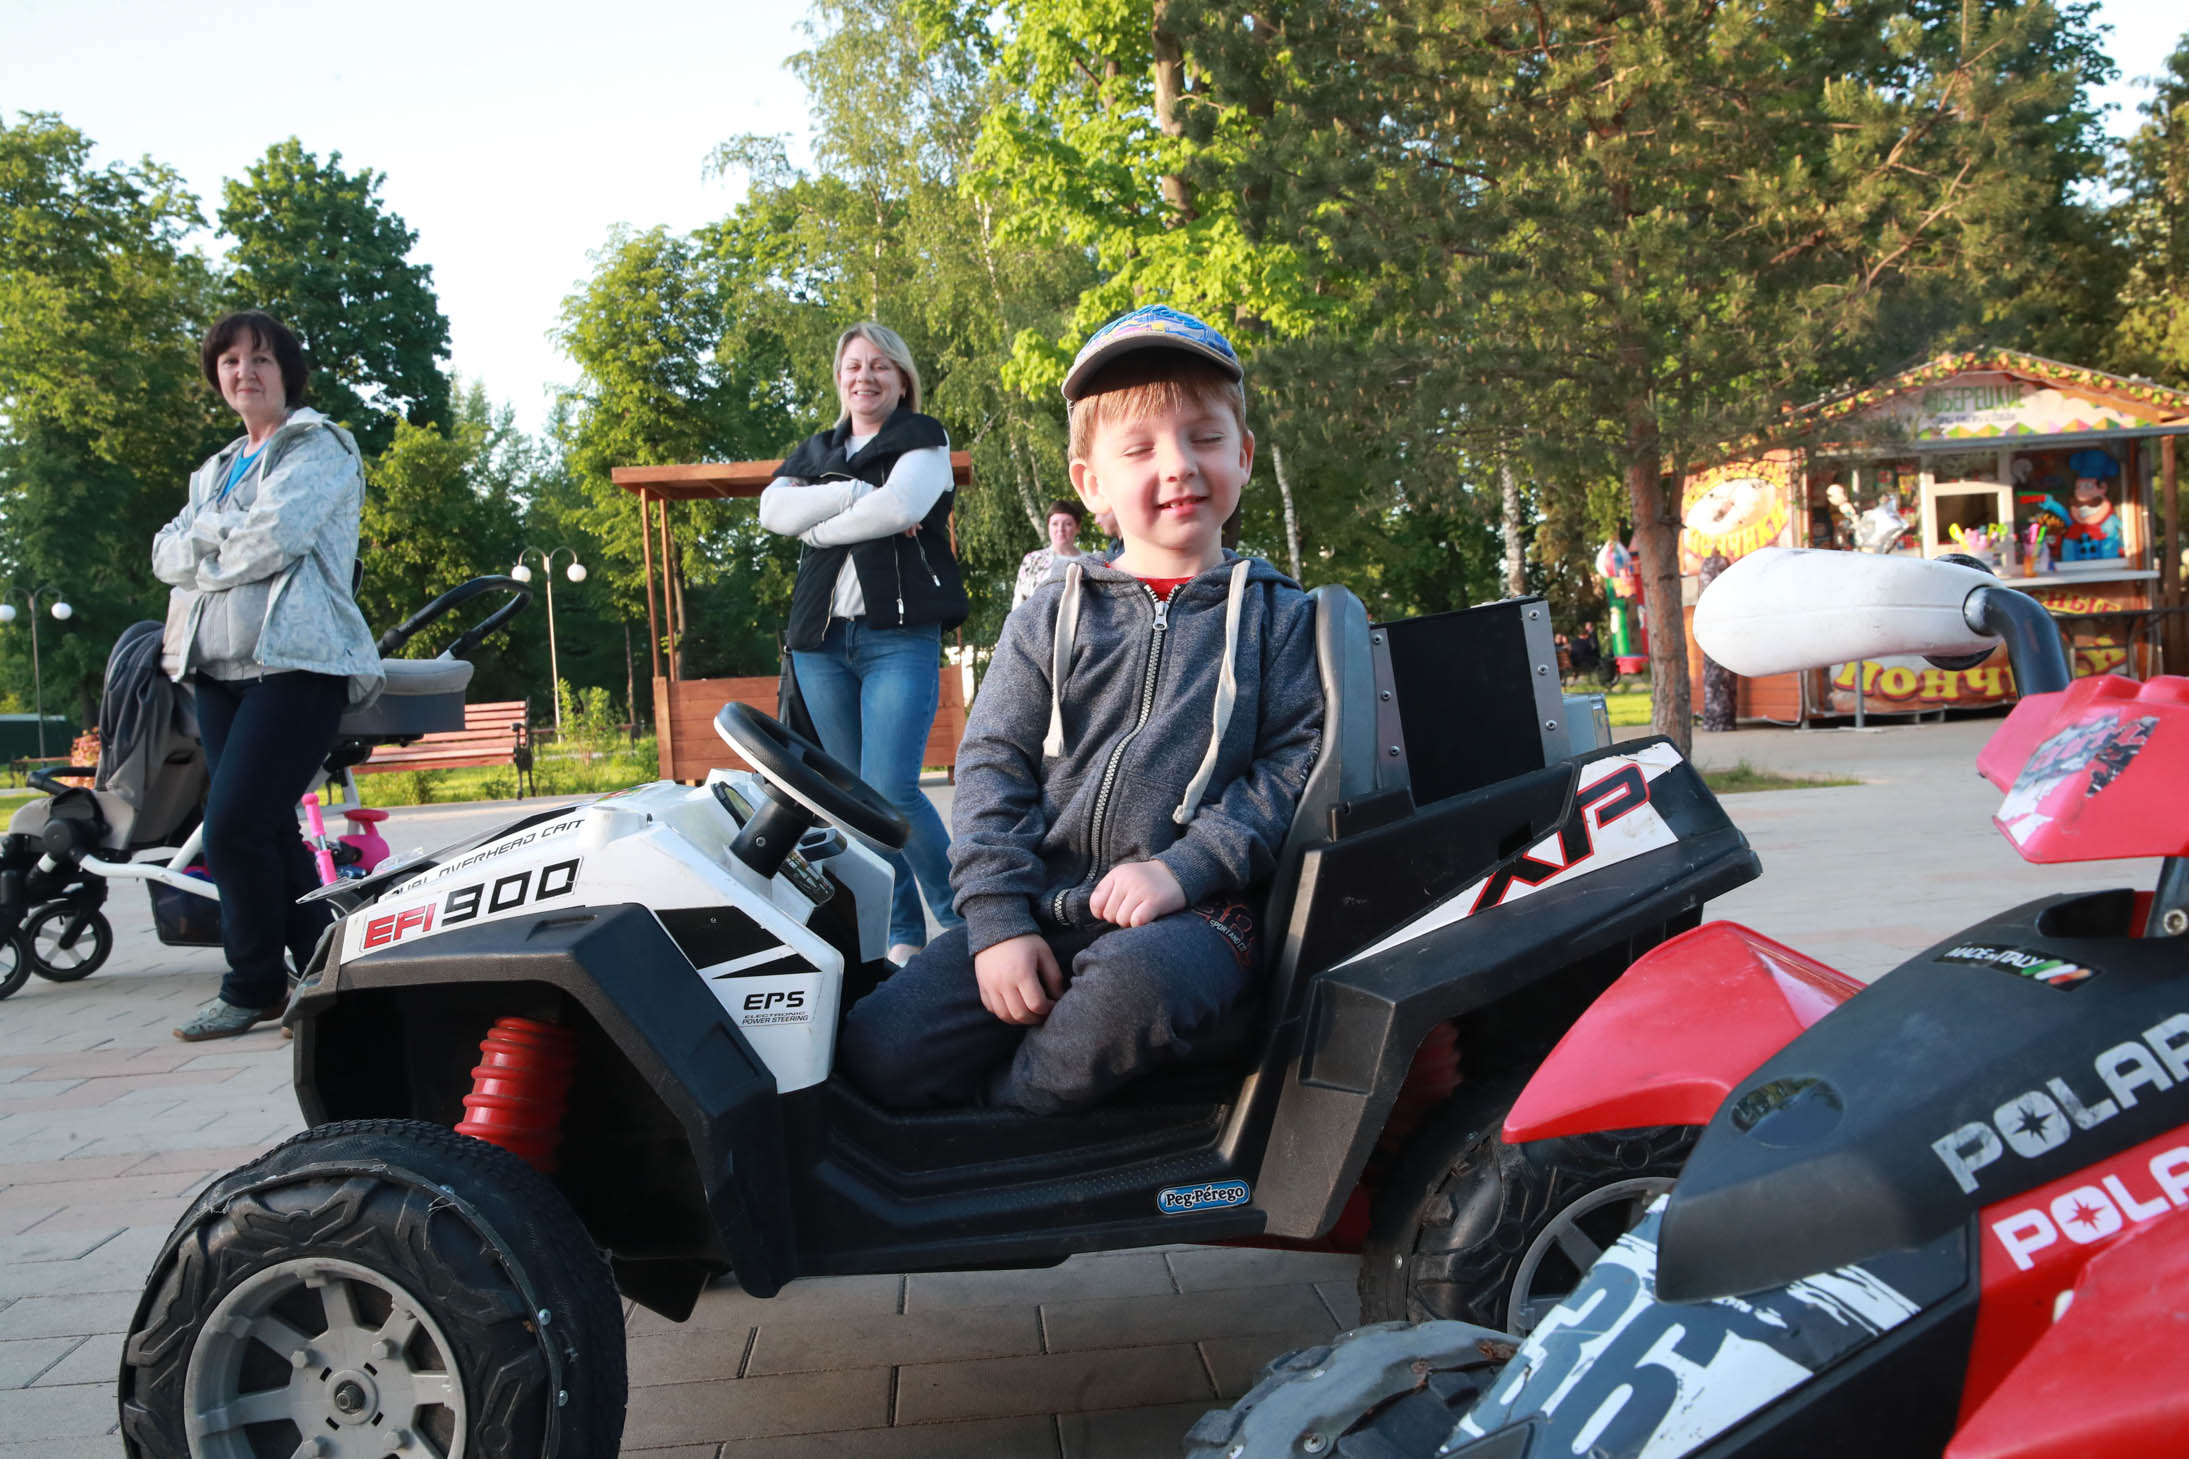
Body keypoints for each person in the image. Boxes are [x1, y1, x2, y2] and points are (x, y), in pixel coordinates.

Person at [838, 304, 1323, 1114]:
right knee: (879, 1049)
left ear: (1242, 457)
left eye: (1204, 438)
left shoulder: (1279, 617)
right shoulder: (1050, 615)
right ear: (1091, 484)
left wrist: (1182, 869)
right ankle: (1077, 1063)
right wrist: (997, 921)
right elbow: (991, 764)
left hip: (1197, 914)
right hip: (1044, 900)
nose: (1179, 465)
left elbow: (1291, 766)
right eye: (1139, 449)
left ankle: (1019, 1110)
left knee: (1135, 988)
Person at [153, 310, 385, 1041]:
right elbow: (162, 551)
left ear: (287, 372)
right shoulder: (215, 470)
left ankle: (251, 985)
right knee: (268, 833)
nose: (243, 372)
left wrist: (202, 548)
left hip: (297, 664)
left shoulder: (319, 447)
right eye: (229, 361)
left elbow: (276, 537)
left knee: (230, 829)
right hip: (218, 670)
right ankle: (327, 978)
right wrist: (213, 539)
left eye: (260, 359)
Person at [758, 322, 968, 964]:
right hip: (819, 643)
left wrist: (820, 523)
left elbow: (900, 508)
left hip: (897, 638)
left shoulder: (923, 438)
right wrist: (852, 492)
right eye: (853, 365)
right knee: (854, 801)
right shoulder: (816, 449)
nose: (864, 376)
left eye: (880, 365)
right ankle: (903, 935)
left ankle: (965, 920)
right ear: (839, 377)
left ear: (902, 380)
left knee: (892, 790)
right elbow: (773, 512)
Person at [1011, 498, 1089, 610]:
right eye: (1055, 524)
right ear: (1048, 526)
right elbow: (1018, 604)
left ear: (1077, 527)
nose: (1060, 529)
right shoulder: (1033, 560)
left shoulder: (1091, 562)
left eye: (1067, 524)